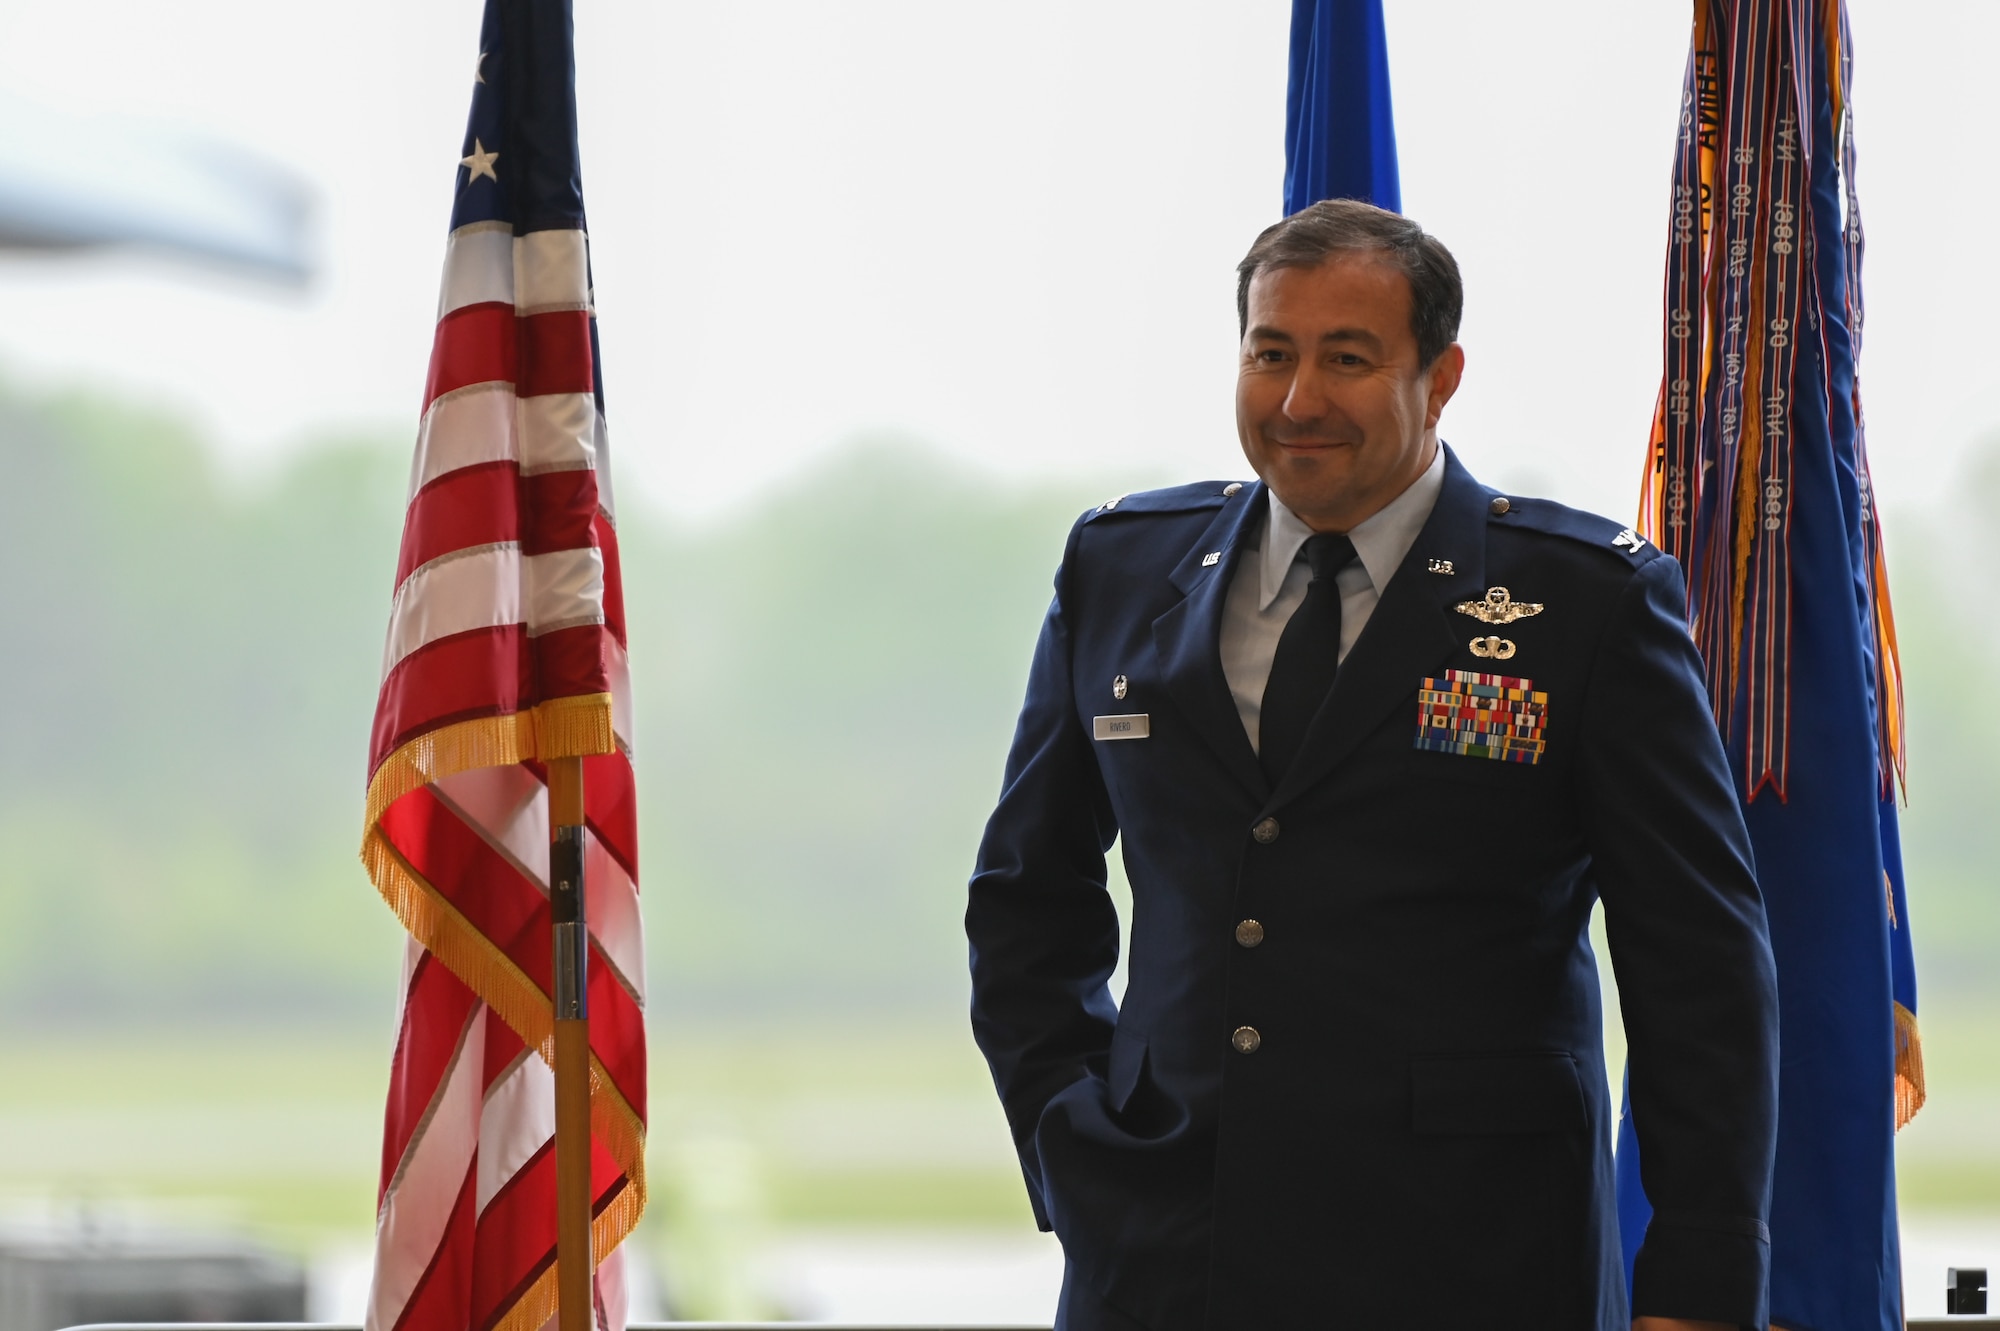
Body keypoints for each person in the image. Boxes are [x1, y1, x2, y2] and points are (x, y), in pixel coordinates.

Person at [965, 199, 1779, 1331]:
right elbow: (1023, 898)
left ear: (1439, 376)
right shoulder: (1118, 566)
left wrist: (1696, 1279)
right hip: (1162, 1257)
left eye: (1346, 359)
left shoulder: (1584, 602)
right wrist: (1070, 1137)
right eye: (1269, 353)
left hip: (1476, 1255)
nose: (1298, 400)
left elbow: (1698, 966)